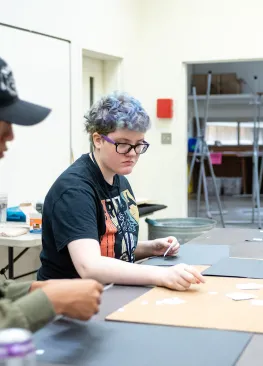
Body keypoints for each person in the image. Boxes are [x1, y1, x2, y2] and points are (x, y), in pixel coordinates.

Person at [38, 91, 205, 291]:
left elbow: (111, 247)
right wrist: (163, 274)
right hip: (67, 301)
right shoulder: (75, 191)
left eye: (139, 145)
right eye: (124, 144)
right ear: (98, 140)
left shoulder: (120, 180)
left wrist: (150, 247)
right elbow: (90, 266)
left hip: (109, 292)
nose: (133, 154)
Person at [0, 57, 103, 332]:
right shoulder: (74, 187)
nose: (10, 135)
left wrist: (36, 288)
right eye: (4, 120)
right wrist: (51, 300)